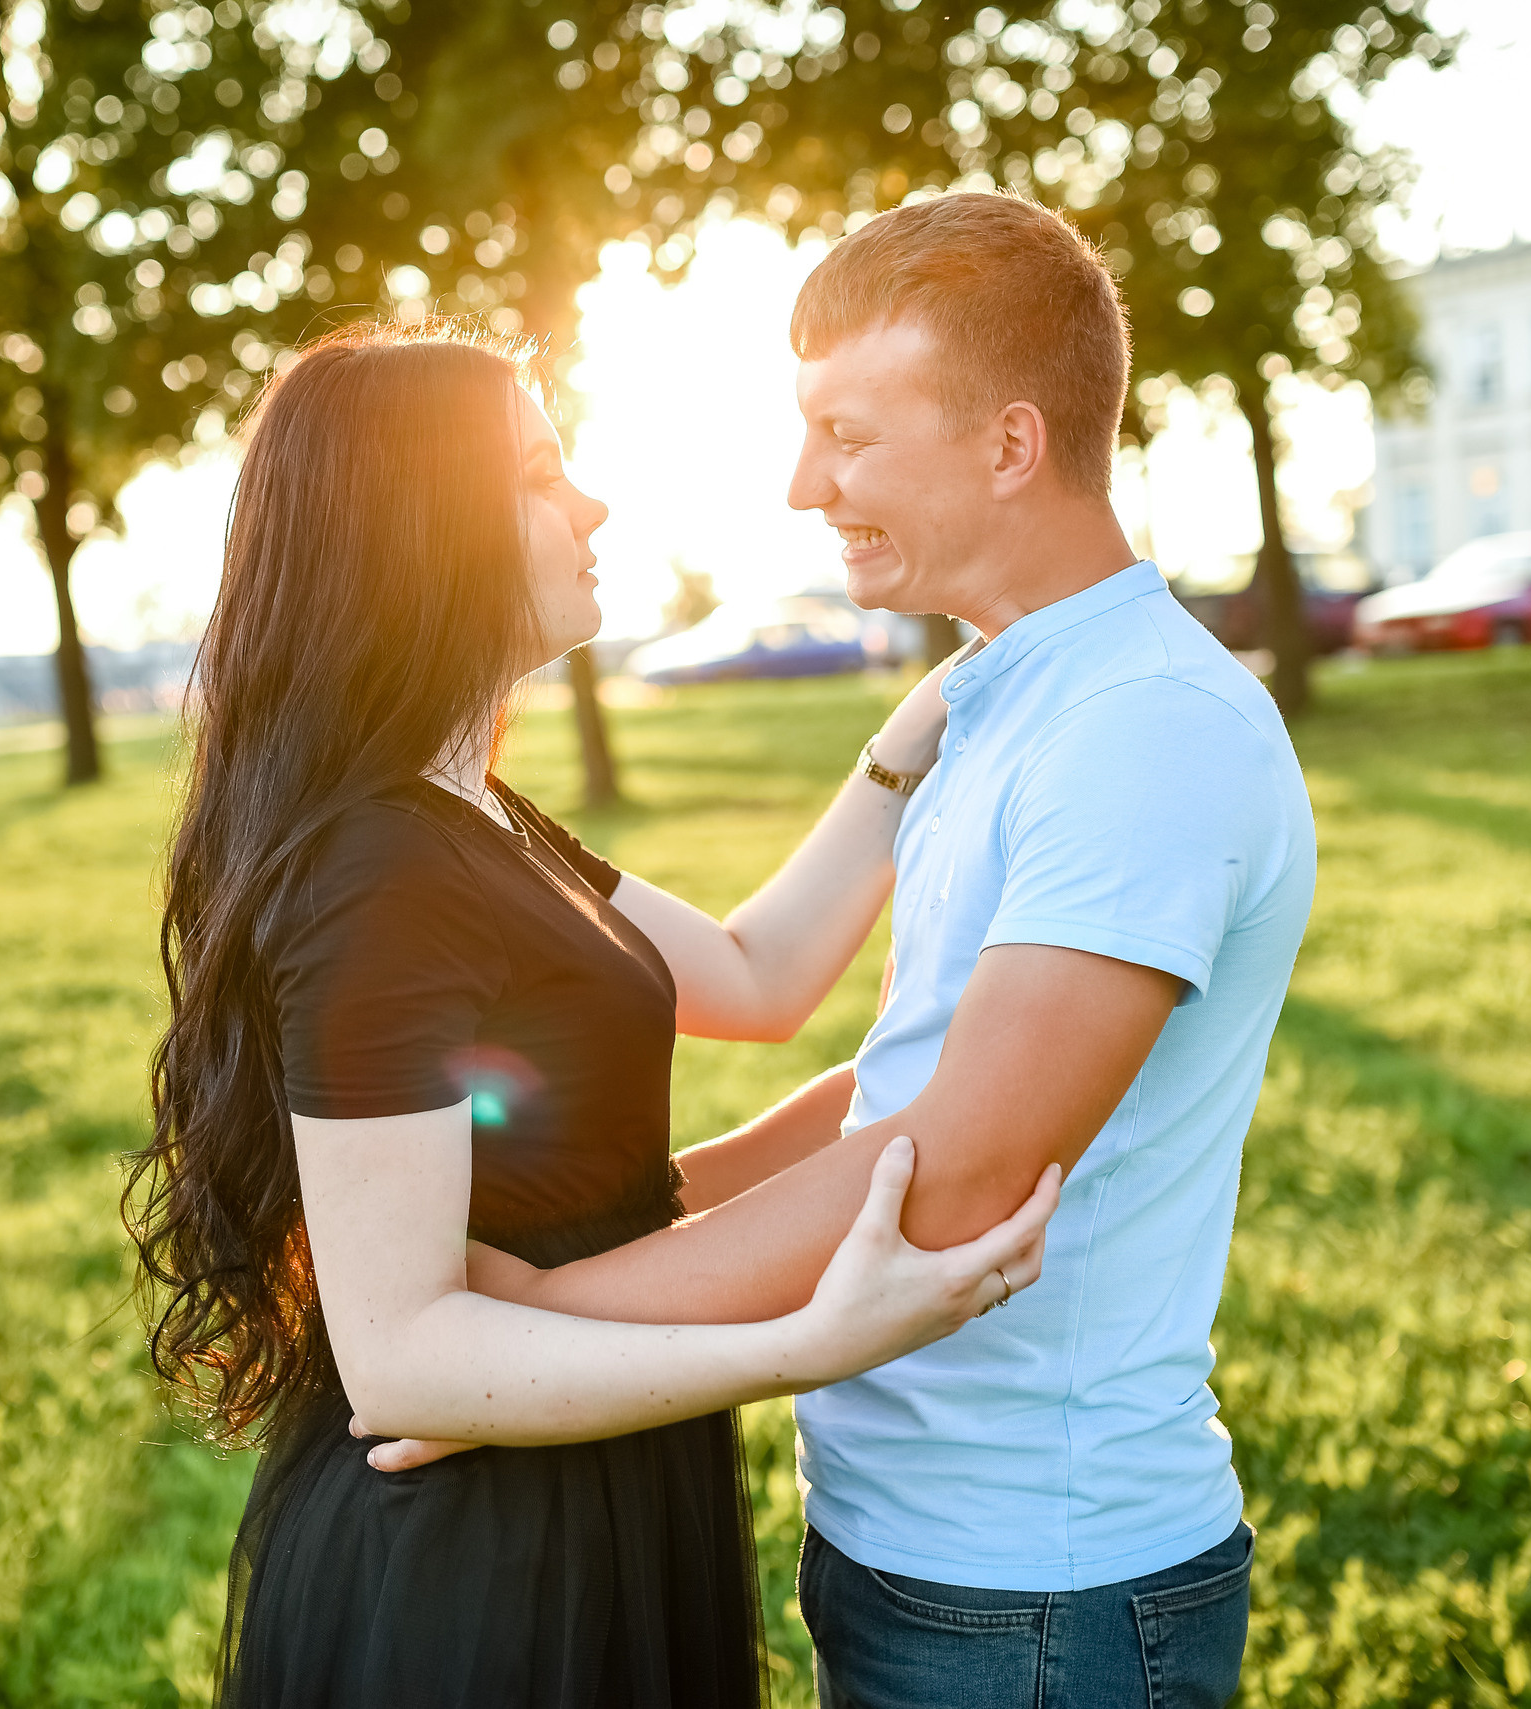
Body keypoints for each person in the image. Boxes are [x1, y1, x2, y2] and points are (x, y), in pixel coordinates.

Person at [429, 192, 1317, 1708]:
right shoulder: (1004, 698)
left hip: (1044, 1594)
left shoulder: (1143, 729)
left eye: (847, 436)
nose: (802, 485)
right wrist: (622, 1234)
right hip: (916, 1551)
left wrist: (527, 1330)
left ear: (1011, 444)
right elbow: (901, 1079)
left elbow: (959, 1167)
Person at [123, 321, 1064, 1709]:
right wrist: (808, 1343)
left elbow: (754, 976)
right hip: (480, 1567)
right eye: (540, 475)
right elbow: (403, 1357)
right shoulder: (379, 869)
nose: (596, 505)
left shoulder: (477, 815)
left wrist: (918, 728)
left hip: (584, 1482)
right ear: (421, 530)